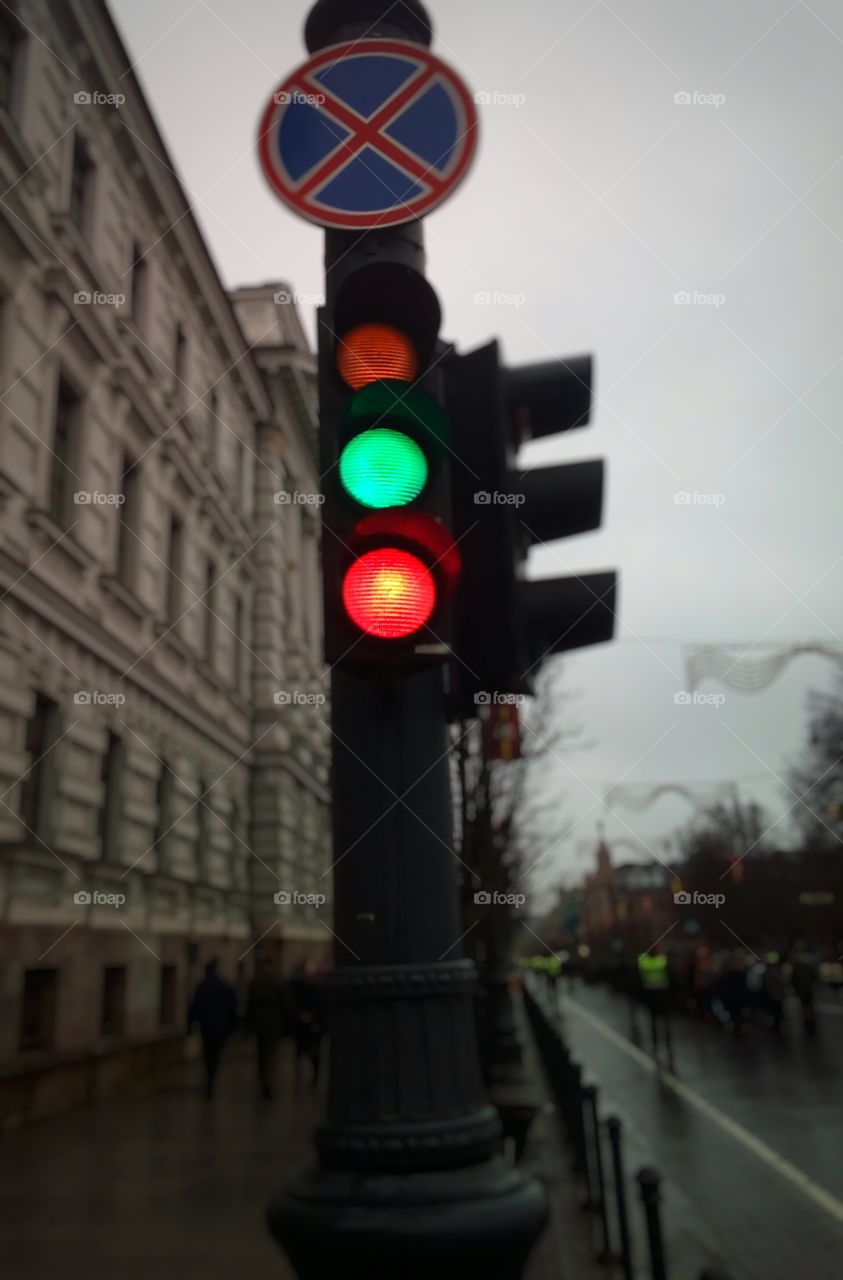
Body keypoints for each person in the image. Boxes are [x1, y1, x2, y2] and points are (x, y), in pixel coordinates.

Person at [188, 958, 237, 1099]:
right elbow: (232, 1008)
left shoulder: (202, 987)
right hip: (221, 1029)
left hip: (206, 1028)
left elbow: (194, 1008)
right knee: (215, 1055)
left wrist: (190, 1025)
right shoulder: (225, 987)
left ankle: (210, 1079)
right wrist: (233, 1026)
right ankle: (211, 1078)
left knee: (209, 1055)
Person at [245, 954, 287, 1099]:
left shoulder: (256, 982)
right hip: (273, 1024)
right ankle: (268, 1081)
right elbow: (285, 1004)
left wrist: (248, 1025)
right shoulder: (277, 982)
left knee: (262, 1054)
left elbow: (249, 1006)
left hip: (260, 1024)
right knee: (271, 1054)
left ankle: (264, 1079)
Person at [288, 960, 324, 1085]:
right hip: (302, 1025)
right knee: (300, 1050)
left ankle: (314, 1076)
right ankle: (301, 1075)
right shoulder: (300, 989)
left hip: (313, 1025)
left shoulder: (317, 990)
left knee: (313, 1052)